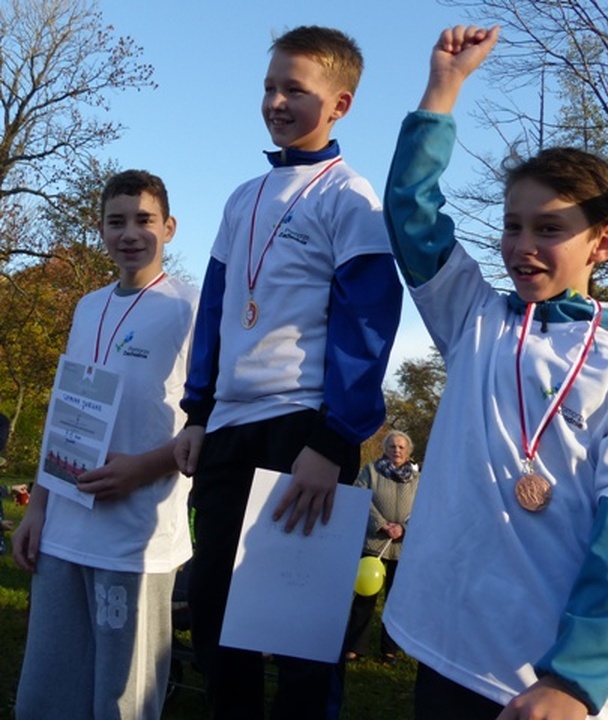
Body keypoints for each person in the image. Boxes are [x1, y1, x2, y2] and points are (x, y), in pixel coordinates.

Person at [381, 25, 608, 720]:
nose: (522, 246)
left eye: (549, 229)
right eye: (512, 226)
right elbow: (410, 211)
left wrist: (573, 681)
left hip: (549, 685)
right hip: (448, 648)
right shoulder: (475, 319)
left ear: (603, 242)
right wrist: (444, 88)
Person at [173, 25, 402, 720]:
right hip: (229, 429)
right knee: (216, 619)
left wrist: (333, 441)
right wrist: (197, 412)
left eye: (294, 90)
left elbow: (368, 324)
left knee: (302, 635)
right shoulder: (242, 196)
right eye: (270, 87)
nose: (275, 101)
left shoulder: (352, 198)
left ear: (340, 104)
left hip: (302, 431)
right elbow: (217, 308)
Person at [12, 170, 198, 720]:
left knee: (122, 703)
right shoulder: (87, 306)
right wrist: (37, 510)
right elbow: (65, 410)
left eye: (144, 220)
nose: (130, 233)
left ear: (169, 227)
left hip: (135, 537)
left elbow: (210, 422)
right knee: (49, 696)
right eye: (116, 222)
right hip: (63, 532)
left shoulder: (192, 308)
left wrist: (143, 468)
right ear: (100, 230)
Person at [345, 430, 419, 664]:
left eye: (401, 447)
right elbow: (360, 497)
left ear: (408, 451)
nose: (397, 450)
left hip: (402, 548)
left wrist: (403, 528)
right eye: (392, 446)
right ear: (385, 449)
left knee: (395, 601)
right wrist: (382, 524)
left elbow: (424, 507)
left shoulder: (418, 479)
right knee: (365, 598)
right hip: (374, 543)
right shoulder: (371, 471)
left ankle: (390, 650)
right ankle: (356, 646)